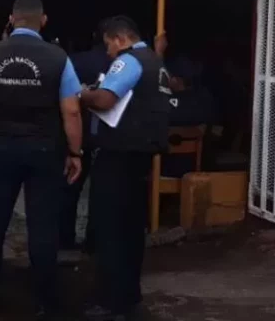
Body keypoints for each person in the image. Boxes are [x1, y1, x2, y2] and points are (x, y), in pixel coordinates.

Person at [0, 0, 83, 320]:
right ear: (43, 21)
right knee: (43, 226)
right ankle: (45, 301)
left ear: (11, 18)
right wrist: (76, 152)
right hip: (44, 151)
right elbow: (72, 110)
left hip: (2, 148)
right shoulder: (58, 58)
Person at [79, 16, 171, 321]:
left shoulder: (128, 62)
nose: (107, 52)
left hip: (117, 155)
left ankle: (109, 301)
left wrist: (81, 94)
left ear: (119, 38)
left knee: (109, 229)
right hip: (141, 157)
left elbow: (105, 99)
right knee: (132, 229)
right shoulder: (156, 62)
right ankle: (128, 295)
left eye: (108, 44)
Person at [60, 24, 112, 253]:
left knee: (70, 188)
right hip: (109, 136)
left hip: (78, 134)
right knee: (102, 192)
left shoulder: (74, 61)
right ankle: (95, 241)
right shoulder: (124, 64)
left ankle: (64, 239)